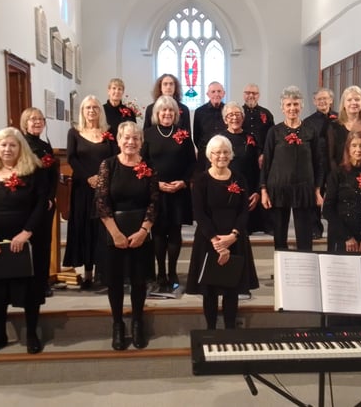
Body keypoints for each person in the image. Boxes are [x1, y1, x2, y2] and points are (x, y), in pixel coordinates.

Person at [0, 127, 49, 355]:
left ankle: (32, 333)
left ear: (20, 148)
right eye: (3, 144)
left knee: (29, 290)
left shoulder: (33, 172)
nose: (7, 149)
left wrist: (26, 233)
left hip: (24, 241)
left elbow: (41, 204)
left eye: (13, 145)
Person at [96, 121, 159, 350]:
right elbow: (101, 201)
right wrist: (115, 233)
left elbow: (154, 202)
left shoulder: (149, 167)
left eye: (136, 138)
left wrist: (144, 231)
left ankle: (137, 323)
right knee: (114, 283)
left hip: (140, 232)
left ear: (141, 142)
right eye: (127, 137)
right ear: (118, 140)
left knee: (139, 281)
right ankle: (117, 325)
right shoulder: (108, 165)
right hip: (114, 233)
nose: (131, 142)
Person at [186, 135, 259, 329]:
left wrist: (233, 235)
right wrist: (216, 241)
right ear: (210, 155)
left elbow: (244, 210)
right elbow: (199, 213)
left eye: (225, 152)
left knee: (231, 289)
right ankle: (211, 330)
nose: (221, 156)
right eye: (217, 152)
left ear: (231, 155)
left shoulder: (239, 179)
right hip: (208, 239)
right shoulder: (201, 180)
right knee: (209, 291)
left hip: (235, 239)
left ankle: (229, 328)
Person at [260, 86, 325, 250]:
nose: (292, 108)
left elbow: (318, 162)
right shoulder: (274, 132)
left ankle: (304, 270)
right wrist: (263, 190)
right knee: (279, 235)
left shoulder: (311, 130)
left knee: (304, 235)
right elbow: (266, 162)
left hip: (304, 188)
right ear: (282, 107)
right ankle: (282, 272)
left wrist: (317, 190)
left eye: (295, 104)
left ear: (301, 106)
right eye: (288, 105)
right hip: (278, 187)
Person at [64, 95, 118, 289]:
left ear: (100, 111)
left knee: (102, 229)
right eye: (87, 108)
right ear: (82, 111)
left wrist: (102, 179)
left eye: (95, 107)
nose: (91, 111)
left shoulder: (108, 132)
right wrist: (88, 177)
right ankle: (87, 273)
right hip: (82, 189)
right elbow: (72, 158)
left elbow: (114, 158)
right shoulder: (74, 132)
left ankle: (103, 273)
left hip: (105, 188)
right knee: (85, 228)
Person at [142, 95, 195, 291]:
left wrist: (183, 182)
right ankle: (161, 272)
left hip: (178, 192)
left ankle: (172, 271)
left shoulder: (183, 134)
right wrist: (156, 183)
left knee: (174, 232)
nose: (167, 113)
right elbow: (143, 163)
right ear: (157, 113)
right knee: (157, 233)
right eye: (163, 110)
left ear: (176, 114)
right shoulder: (148, 134)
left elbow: (192, 162)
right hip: (156, 192)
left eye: (171, 110)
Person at [323, 130, 361, 274]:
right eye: (354, 145)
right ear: (348, 149)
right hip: (343, 238)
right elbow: (328, 209)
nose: (358, 149)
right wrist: (347, 237)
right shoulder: (337, 174)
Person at [20, 107, 60, 297]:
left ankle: (42, 282)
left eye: (40, 119)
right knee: (28, 242)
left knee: (44, 244)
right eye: (32, 119)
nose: (37, 122)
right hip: (27, 203)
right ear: (25, 123)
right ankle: (27, 282)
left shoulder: (45, 146)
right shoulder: (21, 145)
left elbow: (53, 176)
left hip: (46, 203)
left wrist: (51, 197)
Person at [220, 102, 262, 234]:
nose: (234, 118)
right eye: (230, 115)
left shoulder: (251, 138)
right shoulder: (219, 139)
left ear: (243, 118)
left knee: (244, 232)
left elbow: (257, 168)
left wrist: (257, 191)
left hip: (247, 192)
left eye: (238, 114)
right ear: (225, 119)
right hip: (224, 191)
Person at [303, 86, 339, 236]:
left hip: (335, 164)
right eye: (319, 99)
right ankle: (315, 229)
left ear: (331, 100)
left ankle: (337, 228)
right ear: (314, 102)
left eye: (325, 98)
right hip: (316, 163)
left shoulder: (340, 118)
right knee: (315, 197)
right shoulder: (308, 121)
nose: (322, 101)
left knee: (335, 195)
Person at [328, 85, 361, 174]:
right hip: (341, 177)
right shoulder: (334, 126)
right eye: (349, 100)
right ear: (344, 104)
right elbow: (331, 157)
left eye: (357, 99)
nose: (353, 102)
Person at [193, 81, 226, 171]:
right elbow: (196, 136)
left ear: (224, 94)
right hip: (205, 155)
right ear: (208, 94)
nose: (216, 94)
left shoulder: (228, 110)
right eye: (213, 92)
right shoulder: (199, 111)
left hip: (224, 155)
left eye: (219, 91)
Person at [241, 83, 275, 161]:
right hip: (243, 155)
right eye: (248, 93)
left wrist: (265, 154)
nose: (251, 95)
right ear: (243, 95)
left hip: (262, 156)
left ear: (258, 95)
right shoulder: (238, 112)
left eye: (254, 93)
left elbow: (271, 136)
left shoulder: (266, 113)